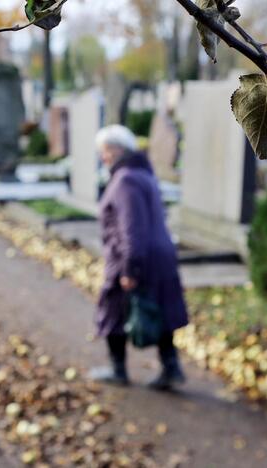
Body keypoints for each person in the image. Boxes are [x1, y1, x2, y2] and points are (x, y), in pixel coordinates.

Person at [89, 125, 189, 390]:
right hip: (160, 255)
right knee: (158, 309)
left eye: (106, 151)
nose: (103, 157)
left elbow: (131, 228)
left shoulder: (124, 180)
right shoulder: (143, 174)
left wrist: (129, 269)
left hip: (135, 256)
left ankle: (117, 369)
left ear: (119, 150)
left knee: (113, 311)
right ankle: (171, 368)